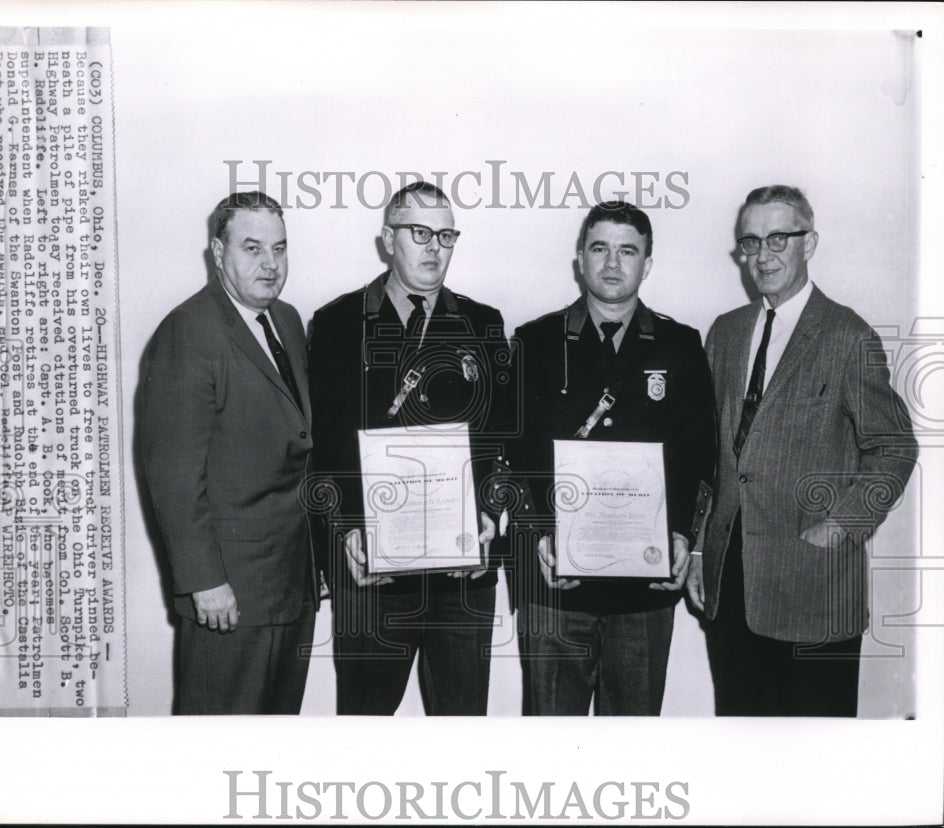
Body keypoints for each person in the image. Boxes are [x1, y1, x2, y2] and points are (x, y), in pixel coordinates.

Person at [687, 185, 918, 717]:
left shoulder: (847, 335)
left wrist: (841, 526)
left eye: (777, 239)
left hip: (815, 586)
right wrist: (701, 549)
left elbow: (894, 448)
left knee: (817, 762)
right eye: (750, 242)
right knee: (744, 746)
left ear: (809, 242)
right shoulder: (725, 333)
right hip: (733, 582)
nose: (762, 256)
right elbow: (712, 456)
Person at [308, 182, 512, 715]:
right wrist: (347, 528)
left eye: (446, 235)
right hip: (372, 570)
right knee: (365, 732)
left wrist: (491, 514)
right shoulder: (335, 323)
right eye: (419, 232)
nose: (433, 247)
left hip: (461, 573)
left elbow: (498, 442)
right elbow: (323, 447)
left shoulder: (483, 323)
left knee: (461, 730)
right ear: (387, 239)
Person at [510, 201, 716, 715]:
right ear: (580, 258)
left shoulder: (680, 344)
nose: (612, 263)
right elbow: (510, 454)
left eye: (629, 251)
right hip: (556, 582)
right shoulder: (535, 342)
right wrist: (537, 531)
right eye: (599, 248)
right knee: (552, 749)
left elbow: (699, 455)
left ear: (647, 264)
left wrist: (685, 539)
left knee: (634, 747)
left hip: (642, 590)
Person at [139, 191, 318, 714]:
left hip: (291, 584)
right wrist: (204, 583)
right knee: (217, 751)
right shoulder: (188, 331)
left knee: (271, 751)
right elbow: (173, 476)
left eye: (280, 249)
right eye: (252, 248)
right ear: (218, 254)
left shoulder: (286, 320)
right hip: (230, 595)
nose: (270, 264)